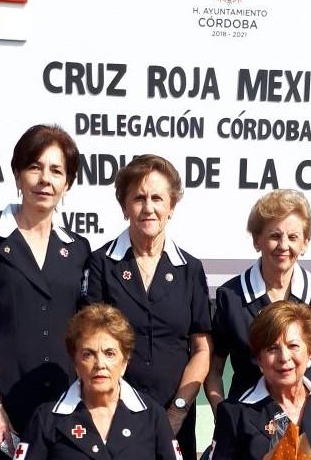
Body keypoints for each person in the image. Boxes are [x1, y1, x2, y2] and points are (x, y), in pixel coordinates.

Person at [0, 124, 91, 449]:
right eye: (35, 167)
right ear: (17, 175)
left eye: (56, 171)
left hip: (65, 405)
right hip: (3, 407)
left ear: (67, 183)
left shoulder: (78, 248)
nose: (45, 179)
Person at [86, 154, 211, 457]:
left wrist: (178, 409)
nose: (148, 207)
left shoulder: (190, 269)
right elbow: (91, 343)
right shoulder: (101, 263)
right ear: (124, 206)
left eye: (157, 198)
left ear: (172, 206)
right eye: (139, 198)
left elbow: (202, 349)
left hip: (177, 418)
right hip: (114, 416)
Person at [205, 189, 311, 418]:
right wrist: (223, 415)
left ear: (305, 243)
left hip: (308, 418)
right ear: (257, 240)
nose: (283, 245)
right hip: (247, 421)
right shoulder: (230, 296)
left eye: (293, 237)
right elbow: (214, 370)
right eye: (274, 236)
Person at [20, 304, 182, 459]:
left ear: (124, 362)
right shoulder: (46, 420)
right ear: (75, 363)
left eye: (109, 353)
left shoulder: (152, 416)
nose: (100, 364)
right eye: (88, 354)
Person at [211, 301, 311, 460]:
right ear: (259, 359)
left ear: (310, 354)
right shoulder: (233, 413)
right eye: (272, 348)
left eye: (293, 346)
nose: (284, 358)